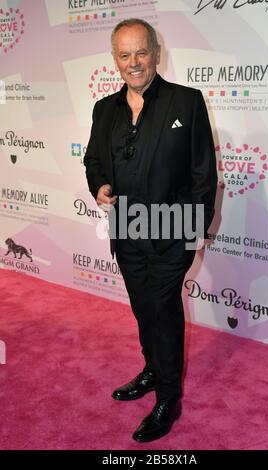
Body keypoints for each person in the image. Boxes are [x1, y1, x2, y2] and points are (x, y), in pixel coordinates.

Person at [84, 18, 217, 442]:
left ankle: (168, 396)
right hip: (126, 229)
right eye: (125, 55)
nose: (134, 63)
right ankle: (152, 369)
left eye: (141, 52)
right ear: (115, 60)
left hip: (171, 232)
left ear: (155, 53)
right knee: (143, 308)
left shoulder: (186, 102)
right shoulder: (104, 109)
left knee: (162, 311)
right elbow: (93, 161)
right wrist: (99, 185)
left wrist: (192, 235)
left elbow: (202, 173)